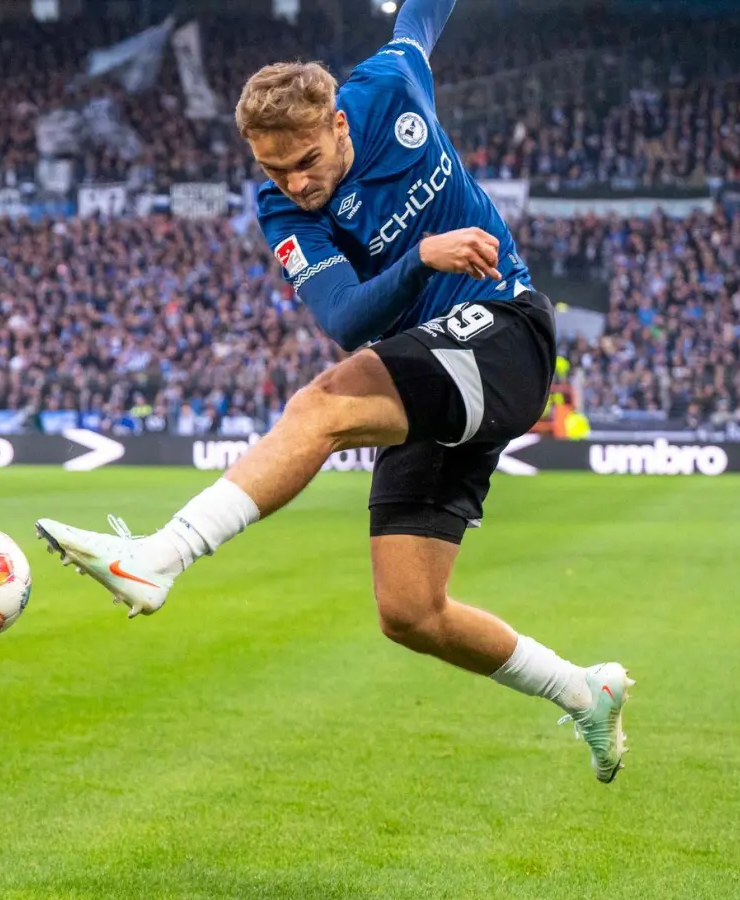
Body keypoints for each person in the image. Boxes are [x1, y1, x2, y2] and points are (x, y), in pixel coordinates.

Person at [36, 0, 633, 783]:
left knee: (319, 406)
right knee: (411, 612)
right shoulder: (281, 207)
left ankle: (160, 555)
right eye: (274, 168)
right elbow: (346, 317)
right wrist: (423, 255)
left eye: (307, 159)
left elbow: (422, 16)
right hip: (427, 372)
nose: (296, 181)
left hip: (506, 334)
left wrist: (427, 262)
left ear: (341, 125)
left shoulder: (390, 84)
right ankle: (584, 693)